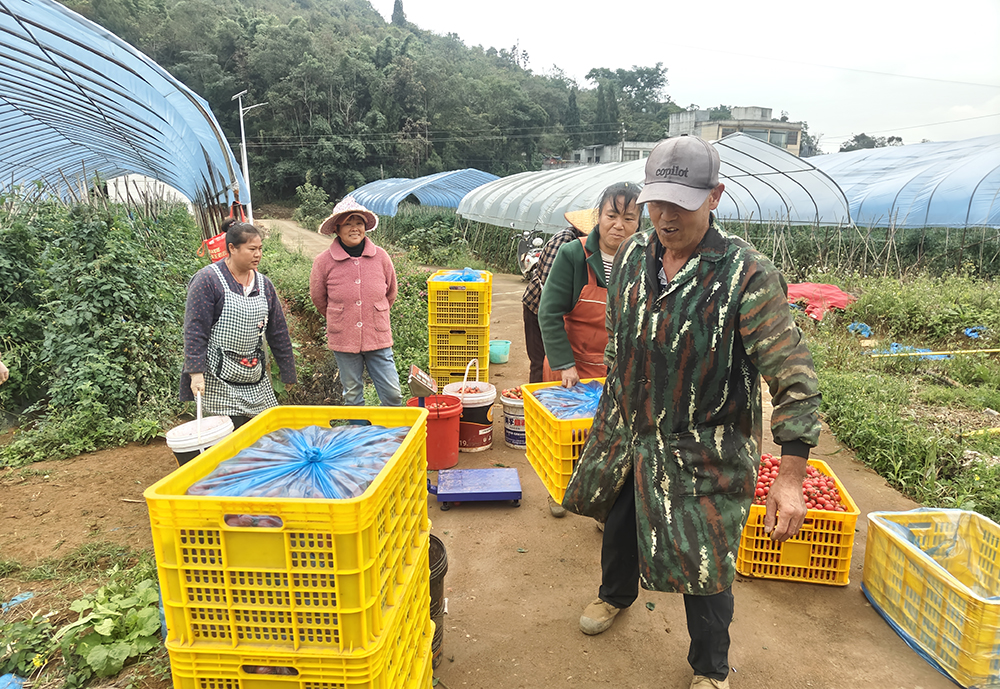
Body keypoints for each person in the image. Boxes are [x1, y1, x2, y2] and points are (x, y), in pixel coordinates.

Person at [561, 136, 822, 689]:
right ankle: (615, 595)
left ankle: (710, 668)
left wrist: (791, 476)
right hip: (629, 429)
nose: (665, 216)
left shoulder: (746, 274)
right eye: (656, 201)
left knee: (705, 560)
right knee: (620, 517)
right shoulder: (633, 254)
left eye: (681, 202)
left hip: (702, 448)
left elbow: (794, 377)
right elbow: (619, 336)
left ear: (715, 196)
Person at [181, 220, 297, 433]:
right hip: (217, 376)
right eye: (252, 249)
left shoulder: (264, 285)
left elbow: (278, 332)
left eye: (260, 248)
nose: (258, 254)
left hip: (252, 373)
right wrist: (195, 372)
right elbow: (195, 329)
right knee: (229, 434)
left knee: (260, 433)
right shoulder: (208, 280)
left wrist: (288, 371)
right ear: (232, 248)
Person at [538, 182, 640, 388]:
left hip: (617, 372)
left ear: (638, 223)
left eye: (629, 218)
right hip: (571, 371)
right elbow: (549, 313)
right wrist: (565, 365)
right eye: (611, 216)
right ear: (599, 216)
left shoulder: (643, 260)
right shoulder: (573, 254)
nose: (619, 225)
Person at [310, 196, 402, 407]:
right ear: (337, 229)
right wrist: (342, 316)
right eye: (348, 223)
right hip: (344, 337)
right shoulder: (323, 261)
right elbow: (319, 298)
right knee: (352, 395)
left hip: (377, 335)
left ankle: (388, 427)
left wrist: (374, 313)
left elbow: (390, 293)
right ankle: (358, 428)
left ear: (365, 227)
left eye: (359, 223)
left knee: (393, 394)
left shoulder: (381, 257)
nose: (354, 228)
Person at [521, 211, 591, 383]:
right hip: (537, 307)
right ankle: (535, 397)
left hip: (562, 312)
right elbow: (549, 286)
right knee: (540, 362)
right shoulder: (565, 241)